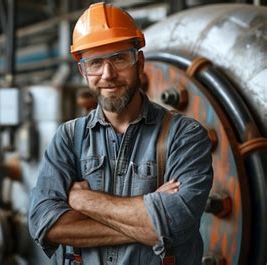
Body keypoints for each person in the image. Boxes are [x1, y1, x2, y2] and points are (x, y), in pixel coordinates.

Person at [28, 3, 213, 265]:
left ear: (139, 63)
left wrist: (83, 200)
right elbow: (44, 224)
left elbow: (175, 224)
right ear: (83, 72)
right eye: (95, 63)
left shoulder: (184, 136)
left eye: (119, 58)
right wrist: (148, 226)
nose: (108, 74)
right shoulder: (68, 138)